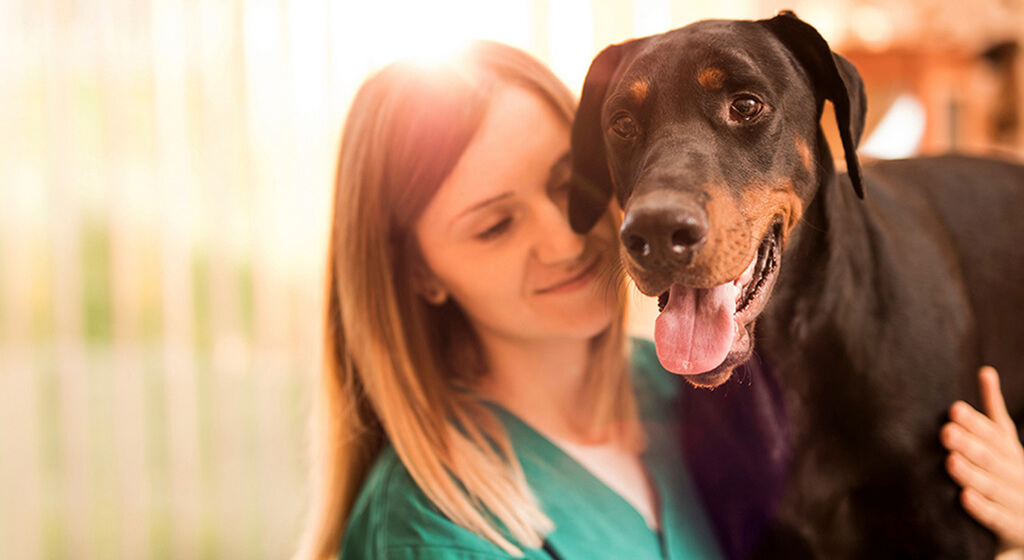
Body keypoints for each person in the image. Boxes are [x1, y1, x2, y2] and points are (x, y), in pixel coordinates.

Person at [293, 40, 1024, 560]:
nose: (571, 236)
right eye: (493, 225)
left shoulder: (686, 389)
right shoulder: (432, 534)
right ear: (418, 272)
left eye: (566, 185)